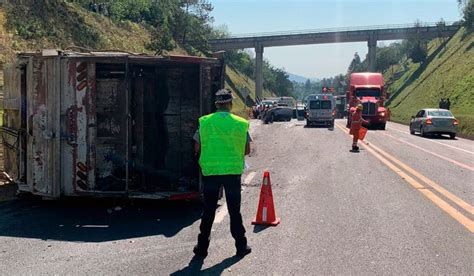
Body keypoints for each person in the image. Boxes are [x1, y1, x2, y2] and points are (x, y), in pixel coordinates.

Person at [193, 89, 252, 258]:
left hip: (210, 172)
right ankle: (241, 246)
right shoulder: (240, 123)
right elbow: (247, 149)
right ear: (231, 104)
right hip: (232, 172)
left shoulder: (205, 122)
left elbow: (197, 147)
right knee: (234, 211)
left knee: (208, 210)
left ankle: (202, 248)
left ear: (216, 105)